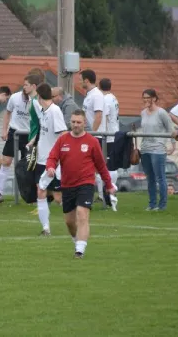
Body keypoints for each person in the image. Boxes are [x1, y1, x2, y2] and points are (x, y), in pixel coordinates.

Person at [46, 110, 114, 259]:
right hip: (67, 185)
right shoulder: (63, 140)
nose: (75, 125)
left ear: (84, 123)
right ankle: (77, 240)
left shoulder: (92, 142)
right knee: (70, 222)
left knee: (82, 215)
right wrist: (50, 167)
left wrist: (108, 184)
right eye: (73, 122)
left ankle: (80, 250)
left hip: (86, 184)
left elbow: (101, 166)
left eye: (79, 122)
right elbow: (52, 157)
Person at [0, 73, 40, 203]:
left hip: (29, 135)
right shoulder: (15, 97)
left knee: (29, 165)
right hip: (15, 132)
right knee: (6, 162)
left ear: (33, 87)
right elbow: (8, 113)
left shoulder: (37, 100)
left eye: (26, 85)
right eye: (23, 85)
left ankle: (29, 195)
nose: (24, 87)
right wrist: (5, 130)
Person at [29, 83, 66, 236]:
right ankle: (46, 228)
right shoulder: (42, 110)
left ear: (39, 96)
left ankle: (78, 211)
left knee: (58, 197)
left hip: (53, 161)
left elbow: (63, 134)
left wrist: (59, 157)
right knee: (40, 191)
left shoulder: (55, 111)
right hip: (41, 160)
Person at [140, 88, 176, 211]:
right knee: (150, 178)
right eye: (144, 98)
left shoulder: (161, 113)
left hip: (158, 148)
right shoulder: (143, 113)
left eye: (148, 98)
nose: (145, 100)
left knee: (160, 177)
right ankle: (152, 204)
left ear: (154, 98)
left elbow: (170, 128)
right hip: (145, 149)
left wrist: (173, 144)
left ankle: (162, 205)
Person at [80, 69, 111, 207]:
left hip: (96, 136)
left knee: (96, 168)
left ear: (86, 80)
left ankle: (107, 196)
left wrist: (91, 134)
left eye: (81, 79)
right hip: (90, 135)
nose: (80, 82)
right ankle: (92, 198)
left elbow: (98, 116)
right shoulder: (89, 95)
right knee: (89, 169)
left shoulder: (97, 95)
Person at [99, 78, 119, 211]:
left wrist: (103, 134)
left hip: (108, 137)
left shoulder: (105, 100)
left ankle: (108, 193)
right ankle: (106, 193)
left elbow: (105, 117)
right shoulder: (114, 98)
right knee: (110, 166)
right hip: (115, 133)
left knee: (106, 166)